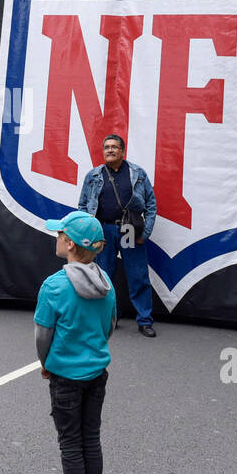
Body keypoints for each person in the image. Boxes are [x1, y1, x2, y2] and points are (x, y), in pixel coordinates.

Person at [34, 211, 116, 474]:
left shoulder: (54, 285)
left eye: (59, 234)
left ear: (69, 244)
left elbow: (43, 335)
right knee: (89, 440)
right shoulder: (106, 283)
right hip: (96, 372)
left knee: (70, 444)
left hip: (65, 376)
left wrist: (46, 362)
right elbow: (109, 326)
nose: (56, 238)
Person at [78, 134, 159, 337]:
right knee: (104, 276)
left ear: (123, 151)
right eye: (106, 147)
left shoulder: (137, 173)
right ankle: (109, 318)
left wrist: (145, 233)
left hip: (128, 229)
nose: (110, 150)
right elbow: (82, 206)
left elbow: (151, 205)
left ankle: (144, 321)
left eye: (114, 147)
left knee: (137, 275)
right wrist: (89, 232)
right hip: (103, 230)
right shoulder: (93, 176)